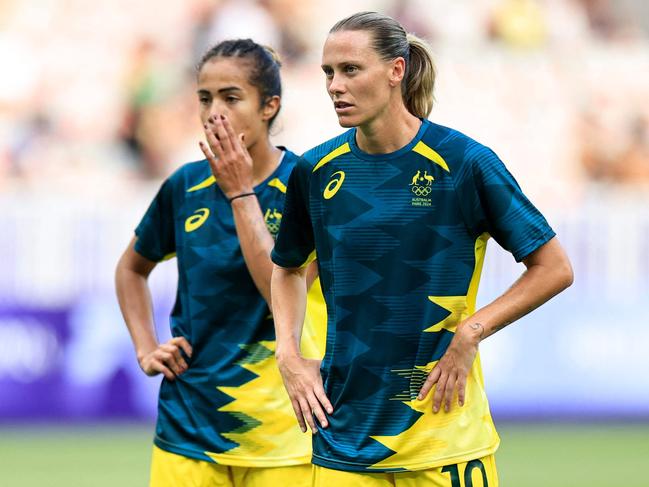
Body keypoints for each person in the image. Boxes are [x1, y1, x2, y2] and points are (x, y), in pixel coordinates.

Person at [271, 11, 573, 487]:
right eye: (328, 72)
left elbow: (553, 266)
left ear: (396, 70)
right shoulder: (316, 170)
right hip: (343, 442)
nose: (334, 85)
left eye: (351, 69)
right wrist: (287, 353)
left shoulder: (464, 163)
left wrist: (471, 332)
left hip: (445, 439)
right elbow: (286, 268)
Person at [115, 39, 325, 487]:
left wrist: (239, 192)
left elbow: (280, 293)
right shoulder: (185, 185)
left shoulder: (308, 184)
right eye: (205, 98)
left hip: (283, 433)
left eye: (231, 98)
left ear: (270, 106)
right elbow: (131, 268)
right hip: (187, 427)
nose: (215, 112)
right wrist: (146, 348)